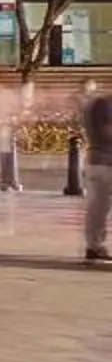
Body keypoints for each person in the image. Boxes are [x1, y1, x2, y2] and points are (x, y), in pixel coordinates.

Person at [83, 84, 112, 265]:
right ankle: (94, 245)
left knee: (98, 208)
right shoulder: (104, 104)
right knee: (99, 208)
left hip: (97, 161)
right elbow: (107, 131)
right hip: (105, 163)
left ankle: (94, 246)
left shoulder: (96, 103)